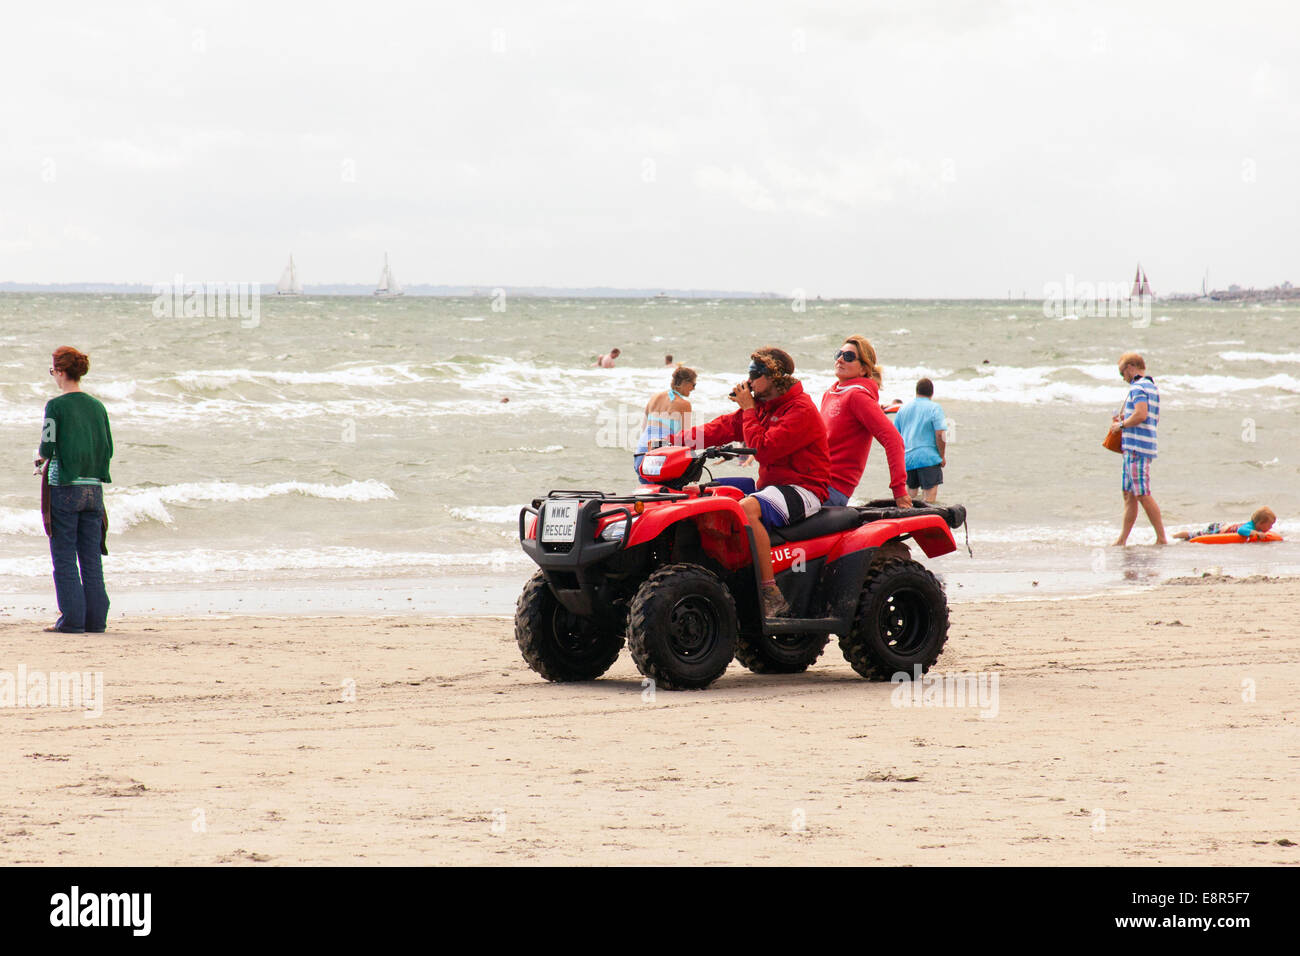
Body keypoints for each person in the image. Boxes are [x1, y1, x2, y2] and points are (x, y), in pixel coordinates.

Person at [668, 347, 829, 617]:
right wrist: (671, 442)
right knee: (699, 495)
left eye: (754, 374)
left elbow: (762, 450)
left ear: (773, 376)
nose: (748, 380)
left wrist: (748, 410)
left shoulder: (801, 410)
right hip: (771, 487)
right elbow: (720, 428)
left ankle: (770, 593)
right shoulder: (762, 408)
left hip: (804, 489)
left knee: (746, 509)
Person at [34, 346, 113, 633]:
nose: (53, 375)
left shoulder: (56, 405)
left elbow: (48, 443)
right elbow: (108, 447)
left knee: (64, 555)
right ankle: (96, 619)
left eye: (53, 370)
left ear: (61, 371)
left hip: (65, 487)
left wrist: (40, 458)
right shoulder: (97, 406)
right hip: (94, 489)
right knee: (91, 556)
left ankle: (73, 620)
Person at [819, 335, 909, 508]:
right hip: (813, 480)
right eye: (839, 354)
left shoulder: (857, 397)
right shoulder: (830, 393)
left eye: (849, 357)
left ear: (863, 370)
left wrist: (899, 491)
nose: (840, 359)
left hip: (831, 489)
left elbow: (894, 440)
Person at [1110, 351, 1167, 545]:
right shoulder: (1151, 387)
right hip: (1139, 446)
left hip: (1137, 448)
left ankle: (1161, 538)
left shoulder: (1138, 387)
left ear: (1130, 368)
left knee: (1142, 494)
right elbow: (1151, 417)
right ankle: (1122, 540)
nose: (1122, 378)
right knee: (1129, 494)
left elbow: (1141, 414)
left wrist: (1121, 425)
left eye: (1121, 373)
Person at [633, 365, 696, 482]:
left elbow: (644, 428)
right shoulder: (684, 404)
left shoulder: (654, 397)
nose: (693, 389)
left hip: (640, 452)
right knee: (667, 495)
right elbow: (687, 438)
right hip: (659, 456)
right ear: (685, 383)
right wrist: (693, 464)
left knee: (646, 493)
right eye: (693, 385)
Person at [893, 378, 947, 503]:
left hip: (908, 458)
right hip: (928, 458)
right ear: (931, 393)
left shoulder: (903, 409)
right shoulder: (935, 408)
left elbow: (895, 435)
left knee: (910, 496)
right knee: (929, 499)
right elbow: (940, 434)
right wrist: (942, 456)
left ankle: (906, 520)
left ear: (916, 391)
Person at [1174, 507, 1277, 541]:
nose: (1271, 527)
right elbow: (1241, 531)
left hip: (1224, 527)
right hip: (1218, 529)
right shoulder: (1250, 526)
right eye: (1269, 525)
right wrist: (1255, 533)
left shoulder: (1257, 528)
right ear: (1260, 523)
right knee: (1194, 535)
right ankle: (1176, 536)